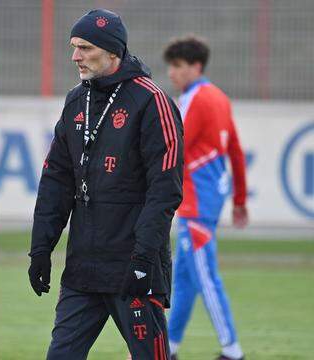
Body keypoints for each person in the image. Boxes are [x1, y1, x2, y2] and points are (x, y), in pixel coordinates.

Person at [28, 9, 183, 359]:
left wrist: (144, 257)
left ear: (113, 51)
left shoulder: (152, 102)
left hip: (133, 268)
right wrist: (41, 249)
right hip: (83, 268)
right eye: (73, 47)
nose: (75, 56)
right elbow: (55, 181)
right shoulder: (75, 101)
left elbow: (165, 190)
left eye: (85, 48)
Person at [163, 35, 248, 360]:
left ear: (195, 66)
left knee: (206, 277)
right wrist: (239, 199)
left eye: (178, 66)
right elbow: (235, 151)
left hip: (196, 202)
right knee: (183, 279)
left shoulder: (195, 100)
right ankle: (168, 348)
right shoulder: (220, 98)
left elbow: (172, 149)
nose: (172, 73)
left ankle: (232, 350)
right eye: (171, 66)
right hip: (209, 199)